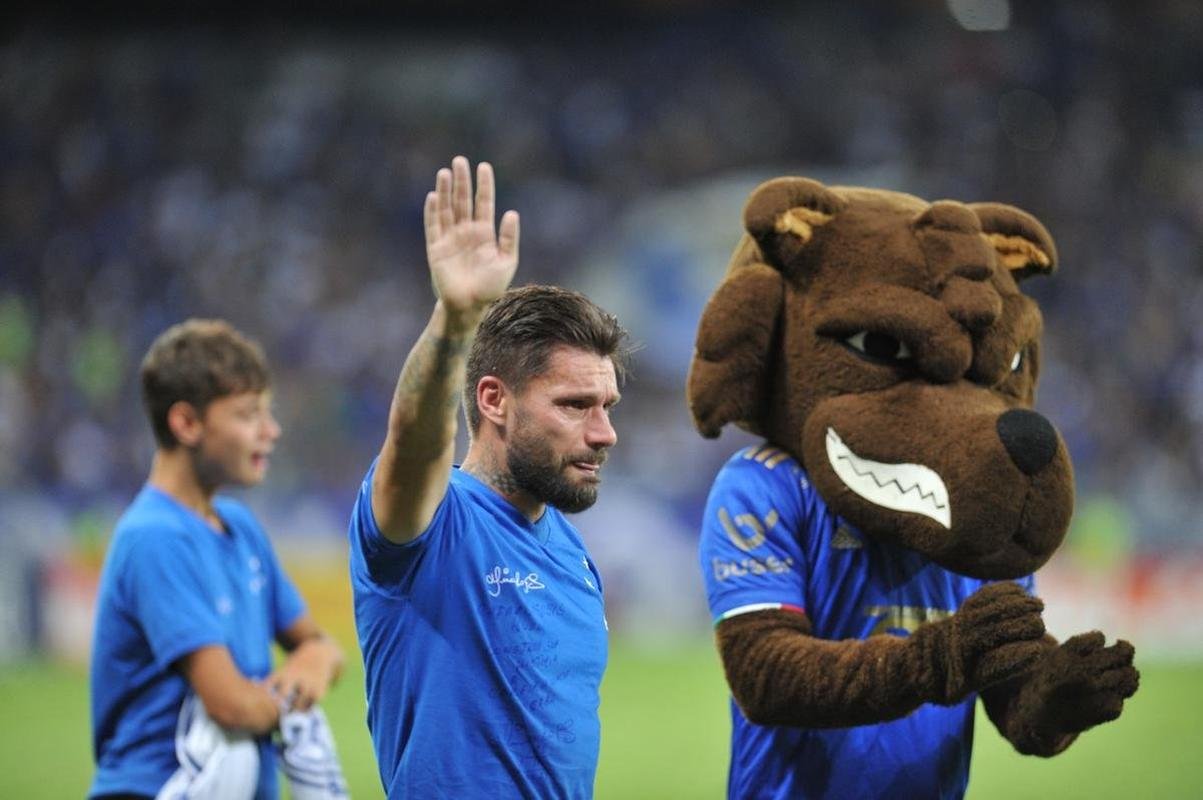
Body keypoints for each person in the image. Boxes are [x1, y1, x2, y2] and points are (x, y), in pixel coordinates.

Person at [348, 156, 630, 799]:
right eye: (574, 406)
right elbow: (414, 441)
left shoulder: (572, 553)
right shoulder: (430, 527)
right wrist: (455, 320)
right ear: (495, 400)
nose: (604, 433)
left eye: (607, 406)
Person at [88, 319, 345, 800]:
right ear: (186, 423)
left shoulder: (240, 526)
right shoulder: (154, 538)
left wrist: (311, 666)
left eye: (268, 412)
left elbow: (321, 647)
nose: (271, 431)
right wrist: (295, 709)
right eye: (248, 414)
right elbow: (232, 706)